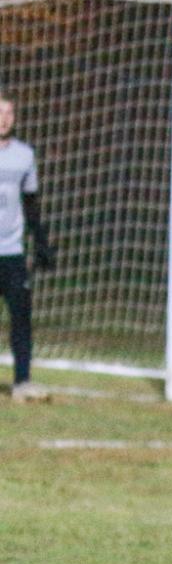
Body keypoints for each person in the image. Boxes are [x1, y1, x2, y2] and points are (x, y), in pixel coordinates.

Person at [0, 93, 56, 401]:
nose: (4, 118)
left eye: (9, 112)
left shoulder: (24, 155)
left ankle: (22, 381)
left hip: (12, 253)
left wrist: (42, 244)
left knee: (21, 318)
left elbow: (31, 205)